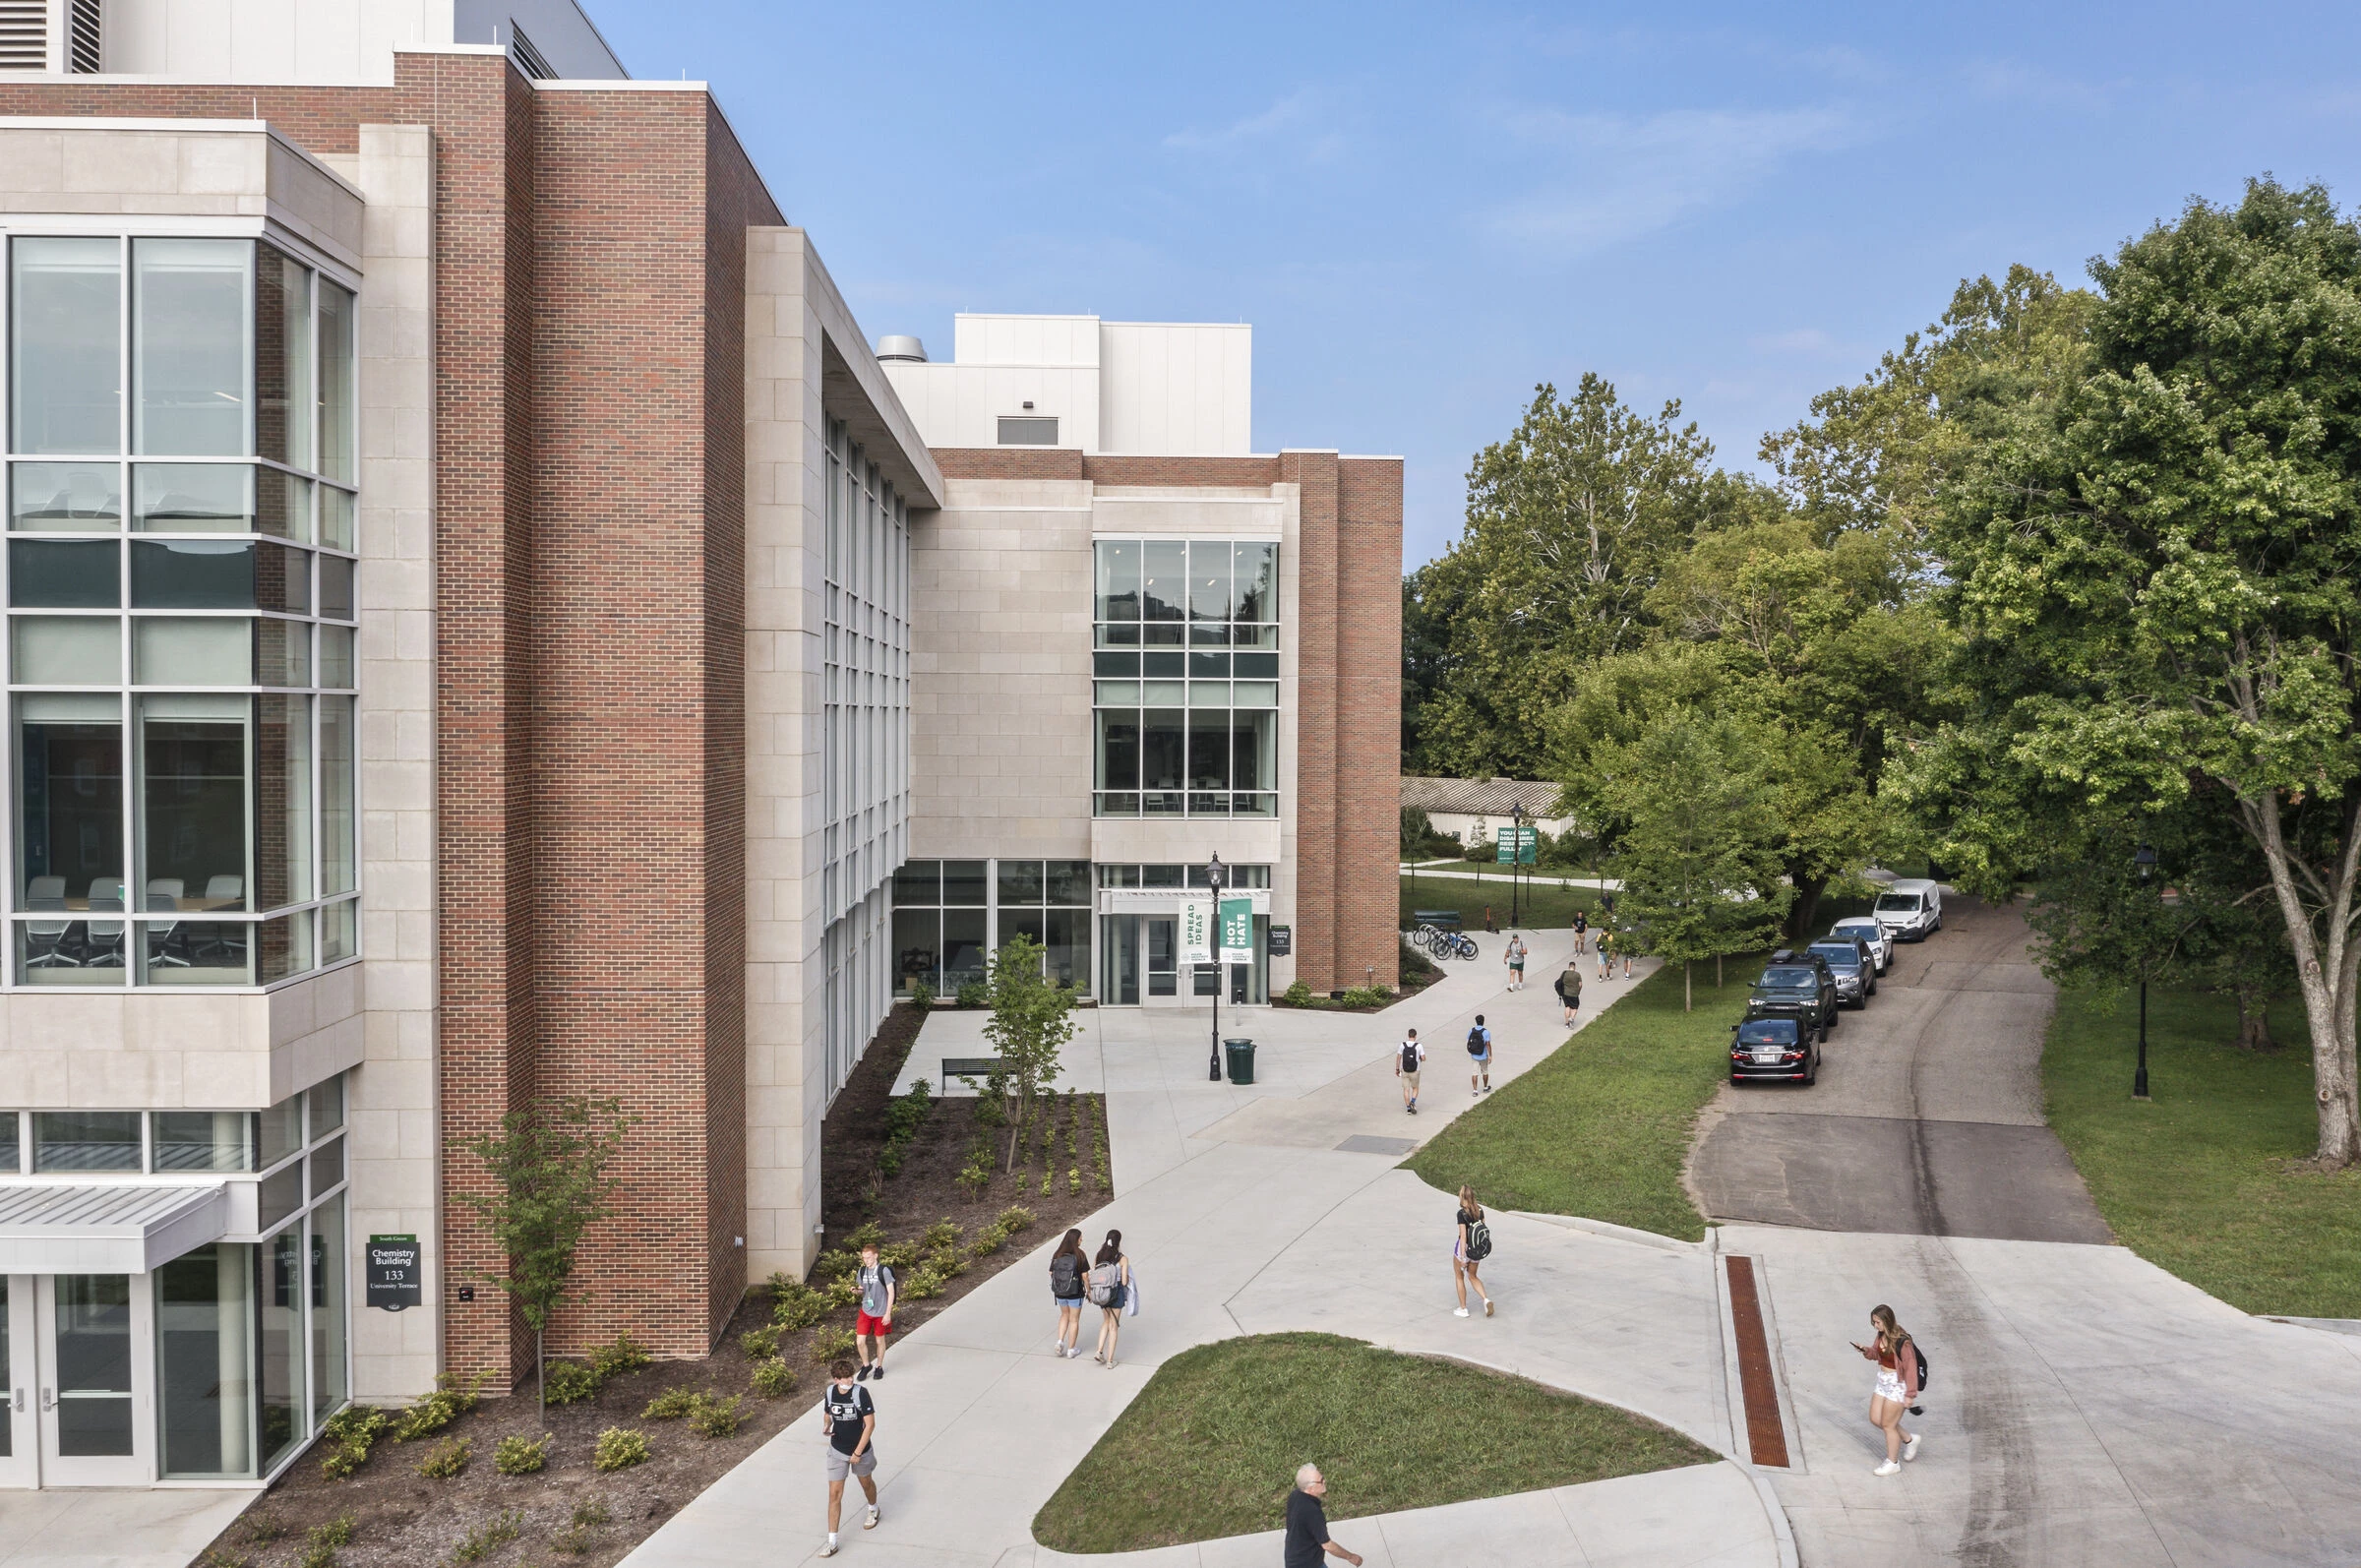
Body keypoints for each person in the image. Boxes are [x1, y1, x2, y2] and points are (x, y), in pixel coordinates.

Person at [1851, 1304, 1922, 1476]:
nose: (1875, 1326)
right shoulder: (1881, 1335)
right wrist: (1866, 1351)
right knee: (1876, 1419)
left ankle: (1893, 1462)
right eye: (1874, 1323)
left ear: (1886, 1321)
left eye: (1877, 1322)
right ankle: (1909, 1439)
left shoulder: (1903, 1342)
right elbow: (1877, 1354)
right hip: (1882, 1381)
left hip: (1898, 1385)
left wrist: (1910, 1394)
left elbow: (1911, 1367)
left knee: (1888, 1425)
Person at [818, 1357, 879, 1556]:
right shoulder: (830, 1392)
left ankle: (873, 1508)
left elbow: (870, 1425)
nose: (849, 1380)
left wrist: (857, 1453)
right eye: (844, 1378)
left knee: (866, 1483)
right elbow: (828, 1413)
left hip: (859, 1450)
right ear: (836, 1379)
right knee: (834, 1494)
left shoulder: (860, 1393)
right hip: (837, 1450)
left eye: (850, 1377)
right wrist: (827, 1426)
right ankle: (832, 1541)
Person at [1284, 1463, 1363, 1568]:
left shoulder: (1295, 1495)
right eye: (1321, 1481)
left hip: (1295, 1557)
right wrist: (1351, 1557)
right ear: (1311, 1488)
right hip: (1308, 1564)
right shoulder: (1312, 1512)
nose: (1324, 1481)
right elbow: (1327, 1545)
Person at [1089, 1229, 1133, 1367]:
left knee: (1106, 1321)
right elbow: (1124, 1282)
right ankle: (1109, 1361)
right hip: (1116, 1294)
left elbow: (1094, 1275)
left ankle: (1099, 1351)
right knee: (1114, 1327)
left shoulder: (1098, 1256)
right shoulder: (1122, 1258)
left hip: (1102, 1293)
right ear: (1119, 1241)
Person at [854, 1240, 895, 1382]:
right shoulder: (862, 1271)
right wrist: (856, 1291)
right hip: (866, 1310)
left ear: (876, 1256)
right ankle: (866, 1365)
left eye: (869, 1257)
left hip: (881, 1313)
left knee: (879, 1340)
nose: (866, 1260)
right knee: (860, 1341)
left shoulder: (884, 1271)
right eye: (864, 1258)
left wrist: (888, 1313)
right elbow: (862, 1289)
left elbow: (891, 1292)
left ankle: (879, 1366)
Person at [1451, 1184, 1494, 1317]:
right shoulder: (1480, 1210)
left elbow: (1463, 1236)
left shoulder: (1461, 1214)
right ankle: (1486, 1300)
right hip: (1477, 1250)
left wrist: (1463, 1258)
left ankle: (1463, 1308)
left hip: (1464, 1249)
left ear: (1463, 1197)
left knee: (1459, 1277)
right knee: (1473, 1276)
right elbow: (1483, 1228)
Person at [1049, 1228, 1089, 1358]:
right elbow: (1085, 1276)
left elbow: (1051, 1272)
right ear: (1076, 1240)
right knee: (1074, 1320)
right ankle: (1071, 1349)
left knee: (1064, 1315)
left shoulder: (1058, 1254)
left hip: (1060, 1291)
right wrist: (1089, 1290)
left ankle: (1060, 1341)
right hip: (1075, 1292)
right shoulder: (1080, 1255)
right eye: (1080, 1238)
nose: (1082, 1240)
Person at [1396, 1027, 1425, 1115]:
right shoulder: (1419, 1046)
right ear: (1415, 1036)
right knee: (1415, 1088)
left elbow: (1398, 1057)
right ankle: (1412, 1101)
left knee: (1406, 1089)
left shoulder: (1402, 1045)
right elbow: (1423, 1058)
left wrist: (1397, 1069)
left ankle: (1408, 1108)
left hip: (1404, 1070)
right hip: (1415, 1071)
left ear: (1408, 1035)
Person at [1465, 1013, 1493, 1096]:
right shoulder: (1486, 1032)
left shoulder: (1471, 1030)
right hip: (1483, 1055)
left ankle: (1475, 1090)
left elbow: (1468, 1041)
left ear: (1476, 1021)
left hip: (1474, 1055)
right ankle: (1485, 1087)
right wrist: (1490, 1055)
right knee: (1485, 1071)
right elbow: (1488, 1044)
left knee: (1474, 1073)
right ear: (1483, 1022)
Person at [1554, 962, 1582, 1026]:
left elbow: (1560, 981)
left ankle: (1567, 1023)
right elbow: (1580, 985)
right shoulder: (1577, 975)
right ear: (1574, 967)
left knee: (1567, 1007)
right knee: (1575, 1007)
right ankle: (1571, 1019)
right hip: (1574, 994)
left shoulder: (1565, 973)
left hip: (1565, 993)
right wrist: (1578, 991)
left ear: (1569, 967)